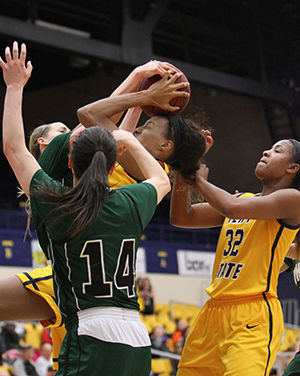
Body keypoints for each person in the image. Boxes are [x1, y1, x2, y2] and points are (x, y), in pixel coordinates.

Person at [0, 41, 188, 375]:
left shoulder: (55, 196)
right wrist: (137, 86)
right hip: (132, 330)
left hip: (87, 316)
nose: (70, 132)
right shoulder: (126, 199)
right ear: (45, 144)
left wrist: (14, 87)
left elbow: (15, 148)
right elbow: (106, 132)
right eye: (62, 131)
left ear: (73, 159)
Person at [170, 138, 300, 375]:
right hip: (211, 312)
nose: (266, 151)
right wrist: (182, 173)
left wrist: (195, 175)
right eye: (269, 147)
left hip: (253, 313)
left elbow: (230, 208)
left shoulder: (293, 199)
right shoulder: (242, 199)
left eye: (277, 150)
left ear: (293, 168)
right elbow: (182, 217)